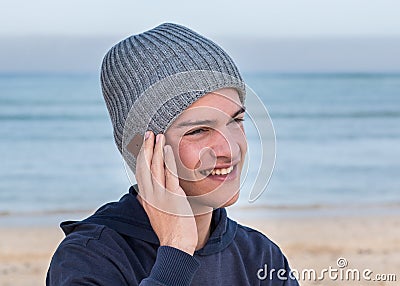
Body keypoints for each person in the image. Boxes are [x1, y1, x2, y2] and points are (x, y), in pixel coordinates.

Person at [47, 23, 299, 285]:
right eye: (199, 130)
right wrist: (176, 252)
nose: (230, 149)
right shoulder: (89, 258)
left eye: (236, 121)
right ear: (142, 149)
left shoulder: (259, 256)